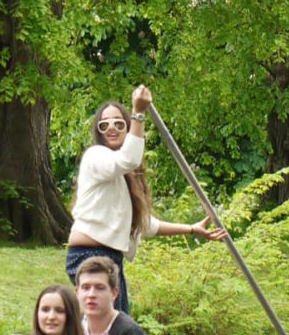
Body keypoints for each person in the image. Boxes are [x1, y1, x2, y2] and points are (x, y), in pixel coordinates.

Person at [65, 84, 223, 312]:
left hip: (109, 258)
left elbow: (145, 225)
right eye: (105, 124)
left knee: (121, 328)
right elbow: (128, 159)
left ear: (127, 129)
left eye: (119, 124)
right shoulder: (96, 157)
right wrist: (138, 113)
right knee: (113, 330)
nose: (112, 128)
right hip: (89, 257)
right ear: (98, 131)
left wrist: (191, 229)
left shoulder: (124, 177)